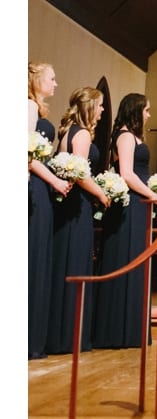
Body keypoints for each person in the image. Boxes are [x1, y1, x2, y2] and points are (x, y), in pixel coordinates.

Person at [93, 93, 157, 349]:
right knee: (126, 260)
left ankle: (133, 329)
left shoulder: (132, 136)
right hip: (129, 207)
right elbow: (126, 173)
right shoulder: (124, 136)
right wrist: (151, 193)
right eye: (146, 110)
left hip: (138, 205)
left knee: (138, 263)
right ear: (135, 111)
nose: (148, 115)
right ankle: (117, 330)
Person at [47, 86, 110, 355]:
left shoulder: (67, 131)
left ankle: (60, 332)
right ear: (89, 107)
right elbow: (80, 173)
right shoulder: (82, 134)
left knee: (65, 263)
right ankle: (71, 335)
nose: (103, 110)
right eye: (100, 105)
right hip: (78, 207)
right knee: (75, 263)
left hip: (67, 206)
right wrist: (102, 194)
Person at [28, 62, 71, 359]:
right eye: (52, 79)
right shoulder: (29, 106)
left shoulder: (37, 109)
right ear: (37, 80)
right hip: (35, 187)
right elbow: (25, 153)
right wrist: (55, 179)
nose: (56, 84)